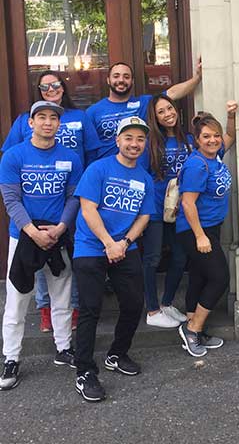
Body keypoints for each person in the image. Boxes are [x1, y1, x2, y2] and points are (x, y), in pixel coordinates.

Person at [2, 71, 100, 333]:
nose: (51, 88)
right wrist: (32, 229)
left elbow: (90, 153)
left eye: (56, 84)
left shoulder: (79, 118)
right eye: (45, 86)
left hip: (67, 205)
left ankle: (68, 323)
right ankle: (42, 312)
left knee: (64, 271)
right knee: (29, 279)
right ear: (33, 122)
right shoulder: (22, 128)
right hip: (29, 222)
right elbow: (11, 181)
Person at [0, 101, 83, 391]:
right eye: (42, 117)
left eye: (53, 118)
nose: (48, 122)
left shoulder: (71, 158)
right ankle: (11, 358)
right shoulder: (13, 156)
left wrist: (61, 227)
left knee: (62, 296)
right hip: (24, 236)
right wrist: (32, 232)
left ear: (58, 124)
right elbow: (11, 200)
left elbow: (74, 198)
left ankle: (63, 348)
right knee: (17, 298)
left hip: (57, 235)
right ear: (31, 123)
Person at [73, 116, 155, 402]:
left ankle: (117, 354)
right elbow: (87, 208)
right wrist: (109, 243)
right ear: (117, 141)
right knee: (90, 309)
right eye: (129, 138)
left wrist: (124, 243)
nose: (134, 144)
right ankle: (84, 371)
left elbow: (144, 215)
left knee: (134, 304)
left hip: (125, 247)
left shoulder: (144, 178)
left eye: (140, 139)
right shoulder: (98, 169)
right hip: (90, 247)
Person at [142, 96, 238, 328]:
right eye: (160, 111)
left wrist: (231, 117)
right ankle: (153, 310)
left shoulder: (189, 142)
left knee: (180, 258)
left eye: (170, 108)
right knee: (154, 258)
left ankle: (168, 304)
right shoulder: (151, 143)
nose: (167, 113)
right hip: (158, 208)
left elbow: (228, 138)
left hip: (184, 213)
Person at [176, 112, 236, 357]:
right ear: (197, 140)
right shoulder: (197, 165)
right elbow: (188, 203)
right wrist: (201, 236)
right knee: (220, 277)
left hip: (210, 227)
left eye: (216, 135)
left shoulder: (215, 157)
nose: (213, 140)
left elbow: (231, 136)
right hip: (195, 230)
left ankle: (196, 331)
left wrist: (231, 116)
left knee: (200, 277)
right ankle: (192, 329)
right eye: (207, 137)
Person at [85, 59, 202, 162]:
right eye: (116, 76)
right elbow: (89, 148)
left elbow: (172, 93)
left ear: (132, 81)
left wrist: (198, 77)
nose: (121, 80)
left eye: (126, 77)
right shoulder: (93, 112)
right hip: (108, 170)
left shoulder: (145, 103)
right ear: (108, 80)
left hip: (140, 166)